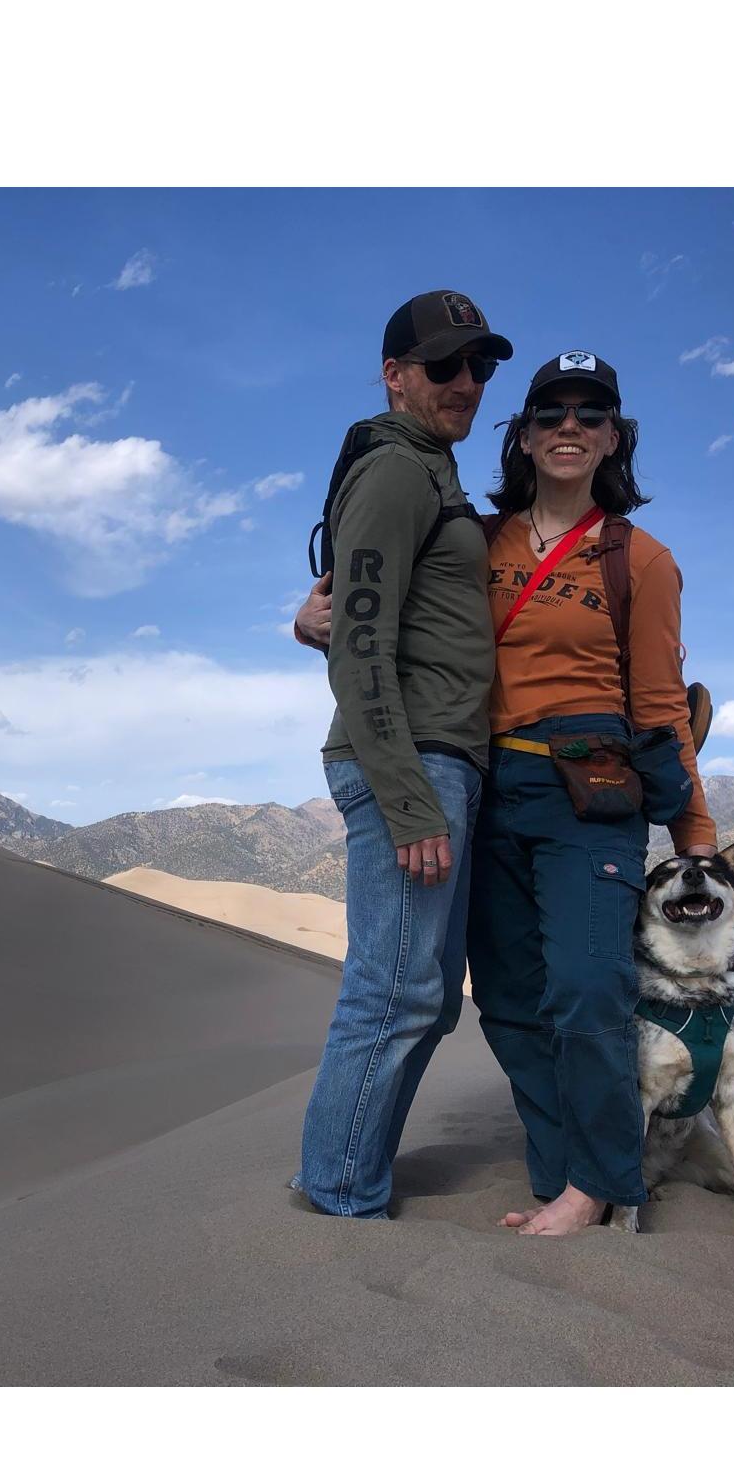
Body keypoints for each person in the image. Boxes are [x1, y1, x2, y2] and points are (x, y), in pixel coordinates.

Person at [296, 351, 717, 1235]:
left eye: (591, 415)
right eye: (550, 413)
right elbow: (386, 608)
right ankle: (561, 1170)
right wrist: (309, 619)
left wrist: (696, 836)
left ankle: (598, 1185)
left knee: (588, 986)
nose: (570, 427)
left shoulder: (641, 559)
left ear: (614, 439)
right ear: (522, 436)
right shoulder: (474, 539)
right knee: (512, 998)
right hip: (485, 783)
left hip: (588, 788)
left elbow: (661, 708)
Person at [291, 291, 511, 1219]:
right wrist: (410, 798)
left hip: (440, 757)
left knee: (426, 995)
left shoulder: (430, 470)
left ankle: (349, 1171)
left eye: (479, 366)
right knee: (393, 992)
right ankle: (340, 1189)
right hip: (408, 760)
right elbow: (360, 644)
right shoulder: (395, 469)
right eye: (444, 365)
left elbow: (352, 617)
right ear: (394, 374)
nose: (467, 382)